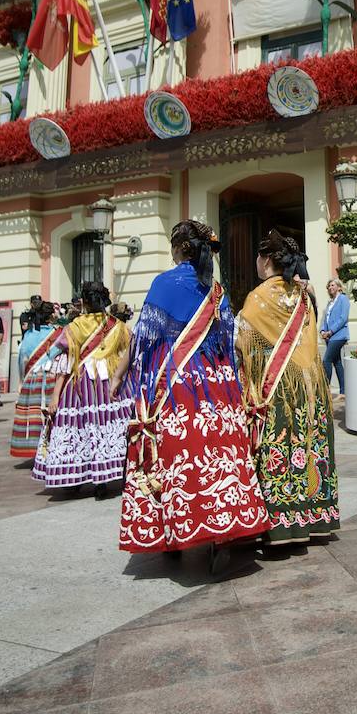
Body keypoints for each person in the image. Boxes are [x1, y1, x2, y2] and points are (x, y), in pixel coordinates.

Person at [118, 220, 269, 571]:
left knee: (175, 453)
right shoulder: (216, 290)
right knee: (220, 452)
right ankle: (225, 537)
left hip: (179, 383)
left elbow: (145, 337)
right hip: (218, 382)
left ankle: (173, 533)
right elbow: (229, 338)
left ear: (178, 248)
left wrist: (129, 375)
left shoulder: (163, 283)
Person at [237, 231, 340, 545]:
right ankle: (314, 518)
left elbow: (244, 344)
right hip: (311, 384)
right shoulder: (303, 294)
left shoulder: (258, 297)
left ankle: (281, 525)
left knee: (279, 449)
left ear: (266, 259)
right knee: (309, 447)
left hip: (278, 386)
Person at [33, 281, 132, 495]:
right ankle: (108, 477)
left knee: (82, 427)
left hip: (82, 383)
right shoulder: (118, 325)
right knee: (110, 427)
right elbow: (129, 353)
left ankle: (80, 475)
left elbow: (64, 364)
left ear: (84, 302)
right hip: (112, 383)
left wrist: (55, 397)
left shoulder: (73, 327)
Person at [11, 307, 62, 461]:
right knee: (50, 411)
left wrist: (21, 379)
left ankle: (35, 449)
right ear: (51, 316)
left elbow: (23, 358)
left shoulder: (29, 335)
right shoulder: (57, 333)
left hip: (33, 378)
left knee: (32, 414)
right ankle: (52, 446)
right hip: (52, 376)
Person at [320, 278, 350, 396]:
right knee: (337, 362)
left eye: (332, 285)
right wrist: (323, 330)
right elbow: (326, 319)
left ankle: (325, 389)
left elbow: (343, 318)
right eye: (328, 286)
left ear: (339, 287)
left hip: (339, 336)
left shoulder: (343, 299)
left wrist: (330, 332)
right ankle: (343, 391)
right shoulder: (330, 302)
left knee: (326, 360)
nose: (330, 287)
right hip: (329, 336)